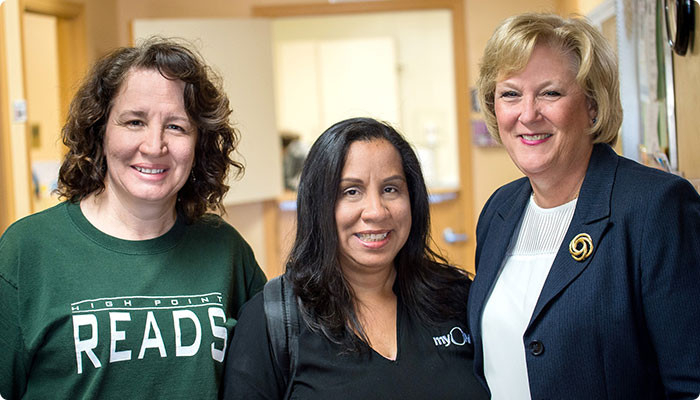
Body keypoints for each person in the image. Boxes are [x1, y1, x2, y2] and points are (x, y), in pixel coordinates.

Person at [0, 38, 267, 399]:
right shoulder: (28, 251)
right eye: (135, 121)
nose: (154, 146)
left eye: (176, 126)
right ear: (100, 130)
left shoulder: (226, 249)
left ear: (198, 142)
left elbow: (270, 374)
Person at [468, 13, 700, 399]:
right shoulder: (498, 211)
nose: (527, 114)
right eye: (510, 94)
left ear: (593, 105)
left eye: (550, 93)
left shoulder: (656, 208)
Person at [221, 117, 488, 399]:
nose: (376, 211)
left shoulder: (457, 298)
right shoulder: (271, 320)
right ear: (319, 205)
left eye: (390, 189)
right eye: (351, 191)